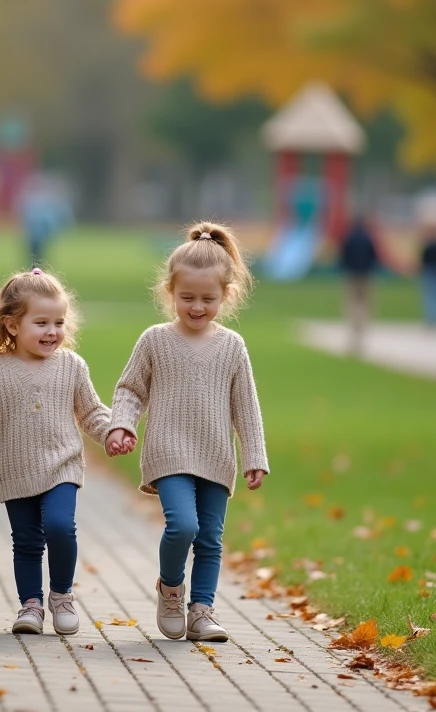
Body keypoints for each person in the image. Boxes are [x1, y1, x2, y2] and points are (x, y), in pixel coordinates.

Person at [105, 223, 269, 643]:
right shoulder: (155, 340)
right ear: (170, 291)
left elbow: (245, 407)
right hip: (168, 452)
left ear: (225, 295)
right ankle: (171, 588)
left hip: (216, 454)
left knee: (211, 538)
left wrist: (254, 456)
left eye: (208, 299)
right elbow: (129, 388)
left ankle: (202, 610)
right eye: (187, 298)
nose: (197, 307)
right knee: (182, 527)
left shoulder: (232, 346)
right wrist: (121, 423)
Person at [0, 269, 110, 636]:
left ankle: (61, 595)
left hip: (62, 464)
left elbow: (92, 412)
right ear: (12, 325)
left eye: (59, 322)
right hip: (14, 468)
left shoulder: (72, 366)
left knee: (61, 527)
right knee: (27, 541)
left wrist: (114, 431)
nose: (53, 331)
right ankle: (30, 605)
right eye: (41, 322)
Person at [339, 217, 379, 356]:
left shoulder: (349, 239)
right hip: (365, 274)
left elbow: (343, 256)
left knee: (352, 304)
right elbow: (374, 256)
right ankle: (361, 332)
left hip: (352, 274)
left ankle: (354, 333)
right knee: (364, 304)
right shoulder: (368, 239)